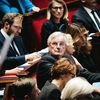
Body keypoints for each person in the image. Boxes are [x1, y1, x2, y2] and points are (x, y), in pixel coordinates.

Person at [72, 0, 100, 71]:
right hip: (94, 51)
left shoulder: (97, 10)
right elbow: (81, 40)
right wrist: (96, 35)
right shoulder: (78, 16)